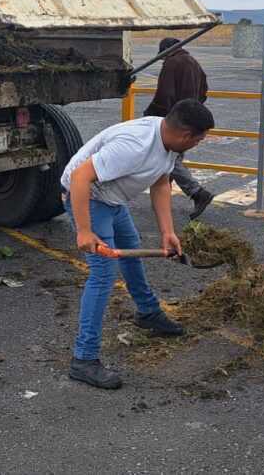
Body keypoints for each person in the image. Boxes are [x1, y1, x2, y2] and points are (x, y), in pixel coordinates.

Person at [62, 98, 215, 389]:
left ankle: (148, 312)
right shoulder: (134, 145)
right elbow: (80, 178)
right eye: (198, 140)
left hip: (113, 200)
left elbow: (160, 182)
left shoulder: (167, 144)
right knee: (103, 274)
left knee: (131, 252)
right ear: (184, 136)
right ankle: (83, 359)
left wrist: (167, 232)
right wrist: (83, 230)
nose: (198, 144)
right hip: (89, 199)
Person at [143, 37, 214, 220]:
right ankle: (162, 197)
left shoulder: (171, 63)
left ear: (167, 50)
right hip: (191, 118)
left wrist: (151, 115)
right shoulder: (193, 62)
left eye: (163, 56)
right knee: (172, 159)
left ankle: (198, 193)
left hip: (175, 121)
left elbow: (164, 95)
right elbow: (204, 88)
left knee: (171, 160)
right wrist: (195, 106)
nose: (163, 60)